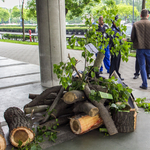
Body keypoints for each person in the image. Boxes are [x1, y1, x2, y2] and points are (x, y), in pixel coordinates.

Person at [131, 9, 150, 89]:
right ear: (148, 15)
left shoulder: (136, 24)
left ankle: (145, 84)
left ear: (140, 15)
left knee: (142, 66)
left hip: (140, 48)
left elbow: (132, 37)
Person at [109, 15, 124, 80]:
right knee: (114, 63)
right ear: (114, 22)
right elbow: (114, 39)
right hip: (114, 49)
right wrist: (122, 40)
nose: (119, 23)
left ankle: (116, 74)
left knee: (117, 62)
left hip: (118, 49)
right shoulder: (113, 30)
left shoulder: (118, 29)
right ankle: (113, 75)